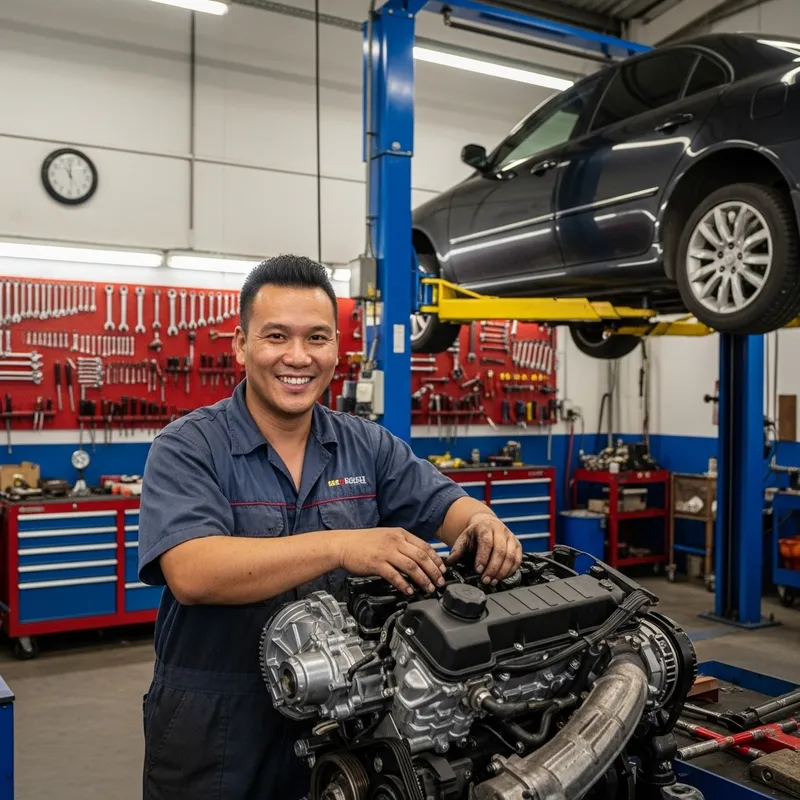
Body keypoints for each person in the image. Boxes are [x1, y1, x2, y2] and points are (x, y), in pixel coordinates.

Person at [137, 254, 522, 800]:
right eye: (276, 336)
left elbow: (446, 505)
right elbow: (193, 572)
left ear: (337, 350)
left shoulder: (367, 445)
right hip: (218, 726)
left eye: (316, 338)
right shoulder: (188, 446)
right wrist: (341, 545)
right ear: (241, 345)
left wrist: (483, 523)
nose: (298, 357)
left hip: (343, 718)